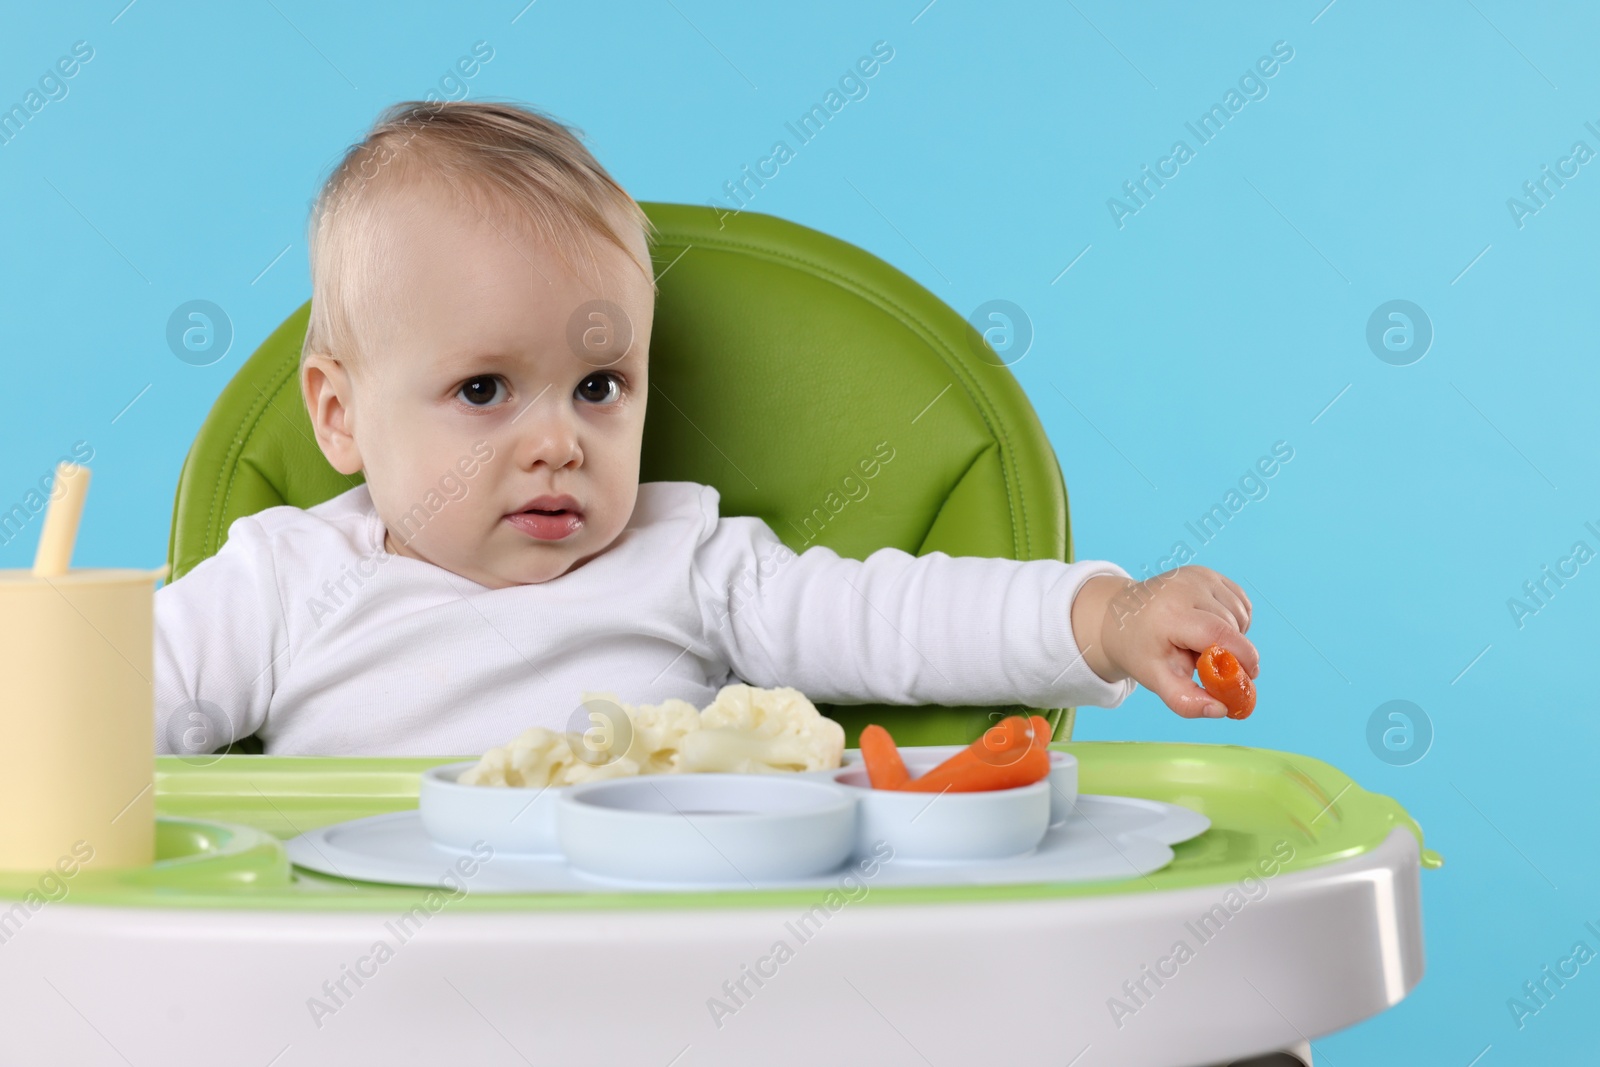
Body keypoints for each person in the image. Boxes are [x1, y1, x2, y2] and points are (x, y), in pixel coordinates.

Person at [153, 100, 1258, 757]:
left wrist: (1108, 616)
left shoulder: (687, 564)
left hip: (660, 987)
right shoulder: (284, 584)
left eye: (597, 386)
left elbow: (898, 615)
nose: (559, 442)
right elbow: (96, 712)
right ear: (338, 414)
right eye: (484, 390)